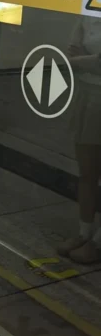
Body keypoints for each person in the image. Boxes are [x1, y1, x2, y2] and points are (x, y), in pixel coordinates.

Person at [59, 16, 101, 264]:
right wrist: (89, 61)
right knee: (87, 173)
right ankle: (84, 232)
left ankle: (98, 243)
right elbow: (70, 54)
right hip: (86, 95)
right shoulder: (89, 12)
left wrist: (84, 59)